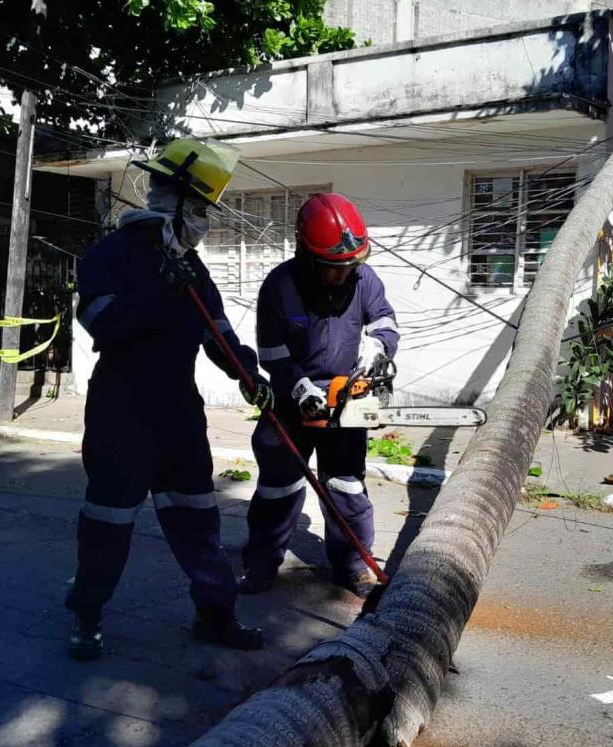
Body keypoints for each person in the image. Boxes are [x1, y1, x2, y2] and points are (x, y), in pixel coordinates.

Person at [65, 137, 275, 660]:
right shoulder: (110, 255)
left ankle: (215, 615)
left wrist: (249, 374)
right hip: (122, 411)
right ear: (173, 200)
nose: (204, 220)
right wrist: (160, 290)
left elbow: (217, 333)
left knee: (198, 519)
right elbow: (102, 324)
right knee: (108, 521)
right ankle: (86, 616)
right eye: (199, 208)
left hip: (178, 412)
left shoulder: (193, 269)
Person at [238, 193, 399, 599]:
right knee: (279, 487)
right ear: (306, 254)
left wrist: (379, 346)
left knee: (346, 486)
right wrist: (297, 385)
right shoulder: (279, 285)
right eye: (333, 268)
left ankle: (352, 565)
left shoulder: (365, 280)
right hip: (293, 403)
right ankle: (260, 564)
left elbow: (384, 320)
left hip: (346, 402)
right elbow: (271, 351)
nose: (342, 275)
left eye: (349, 266)